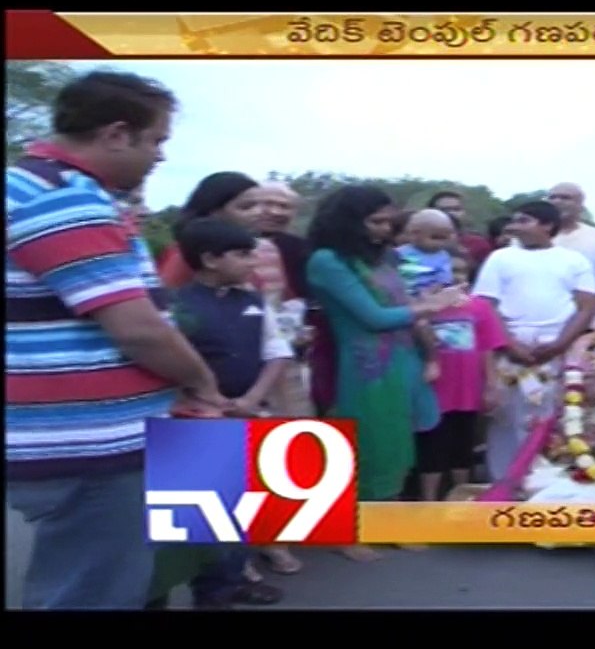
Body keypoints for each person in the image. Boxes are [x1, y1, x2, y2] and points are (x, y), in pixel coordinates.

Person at [6, 70, 230, 609]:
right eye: (156, 141)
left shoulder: (37, 188)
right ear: (115, 134)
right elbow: (137, 328)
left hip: (80, 434)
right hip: (93, 443)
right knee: (92, 592)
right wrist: (202, 381)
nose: (160, 157)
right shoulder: (61, 200)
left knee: (113, 577)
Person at [149, 218, 295, 609]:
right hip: (193, 423)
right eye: (243, 254)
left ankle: (229, 584)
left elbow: (277, 351)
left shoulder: (254, 302)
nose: (253, 261)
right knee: (199, 516)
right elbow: (162, 362)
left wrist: (252, 399)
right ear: (211, 259)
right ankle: (198, 590)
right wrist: (204, 402)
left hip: (249, 414)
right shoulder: (174, 307)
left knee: (246, 508)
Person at [306, 185, 453, 561]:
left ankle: (388, 523)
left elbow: (404, 306)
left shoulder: (384, 257)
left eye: (389, 221)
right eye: (376, 221)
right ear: (347, 221)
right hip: (364, 366)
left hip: (403, 357)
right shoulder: (328, 261)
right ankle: (346, 531)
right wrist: (432, 305)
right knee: (366, 445)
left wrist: (427, 342)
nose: (385, 229)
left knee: (400, 443)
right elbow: (373, 318)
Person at [472, 200, 595, 482]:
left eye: (524, 220)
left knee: (554, 419)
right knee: (505, 421)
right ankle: (504, 486)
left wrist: (561, 344)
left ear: (547, 226)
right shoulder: (500, 257)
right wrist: (509, 344)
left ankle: (547, 484)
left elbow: (587, 306)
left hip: (557, 348)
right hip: (509, 349)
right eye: (514, 220)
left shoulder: (573, 260)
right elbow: (485, 306)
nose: (514, 226)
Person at [412, 247, 507, 500]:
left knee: (462, 444)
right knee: (431, 444)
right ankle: (428, 501)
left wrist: (491, 384)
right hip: (433, 388)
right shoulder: (422, 308)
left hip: (467, 388)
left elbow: (488, 348)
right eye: (448, 270)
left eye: (461, 270)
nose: (454, 276)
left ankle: (461, 497)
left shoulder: (480, 307)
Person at [397, 209, 457, 294]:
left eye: (444, 238)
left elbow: (444, 281)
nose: (440, 243)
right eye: (435, 237)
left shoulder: (443, 257)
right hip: (403, 294)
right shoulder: (400, 253)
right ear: (414, 234)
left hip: (432, 294)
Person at [548, 182, 595, 261]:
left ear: (580, 205)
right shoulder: (533, 236)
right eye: (552, 197)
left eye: (565, 198)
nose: (557, 201)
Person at [428, 190, 492, 266]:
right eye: (444, 210)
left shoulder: (478, 244)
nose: (451, 213)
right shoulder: (420, 241)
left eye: (456, 209)